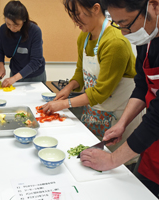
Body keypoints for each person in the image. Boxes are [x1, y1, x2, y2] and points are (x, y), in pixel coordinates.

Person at [80, 0, 159, 199]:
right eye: (117, 24)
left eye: (126, 23)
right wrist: (122, 123)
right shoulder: (149, 35)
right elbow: (143, 86)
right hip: (152, 141)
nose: (123, 32)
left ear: (154, 6)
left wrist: (112, 160)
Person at [41, 0, 144, 168]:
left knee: (118, 170)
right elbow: (80, 73)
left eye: (78, 15)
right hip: (95, 113)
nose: (75, 22)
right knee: (90, 161)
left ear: (96, 9)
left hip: (118, 117)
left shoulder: (115, 42)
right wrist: (68, 88)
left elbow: (100, 92)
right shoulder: (85, 36)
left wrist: (63, 104)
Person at [0, 0, 46, 87]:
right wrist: (1, 67)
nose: (12, 28)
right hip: (15, 72)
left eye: (16, 25)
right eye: (8, 24)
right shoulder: (3, 30)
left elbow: (36, 61)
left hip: (35, 76)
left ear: (24, 20)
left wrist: (14, 78)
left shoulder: (34, 31)